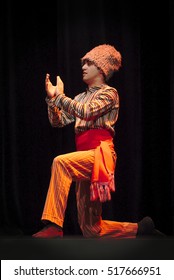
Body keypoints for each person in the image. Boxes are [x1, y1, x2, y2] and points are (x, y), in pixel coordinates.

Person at [32, 44, 159, 239]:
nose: (83, 67)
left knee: (60, 163)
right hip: (84, 157)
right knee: (91, 230)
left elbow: (87, 112)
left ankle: (54, 225)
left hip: (101, 153)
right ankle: (140, 229)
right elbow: (57, 122)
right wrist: (52, 101)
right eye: (83, 63)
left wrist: (59, 97)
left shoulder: (109, 93)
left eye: (89, 63)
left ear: (101, 68)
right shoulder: (80, 97)